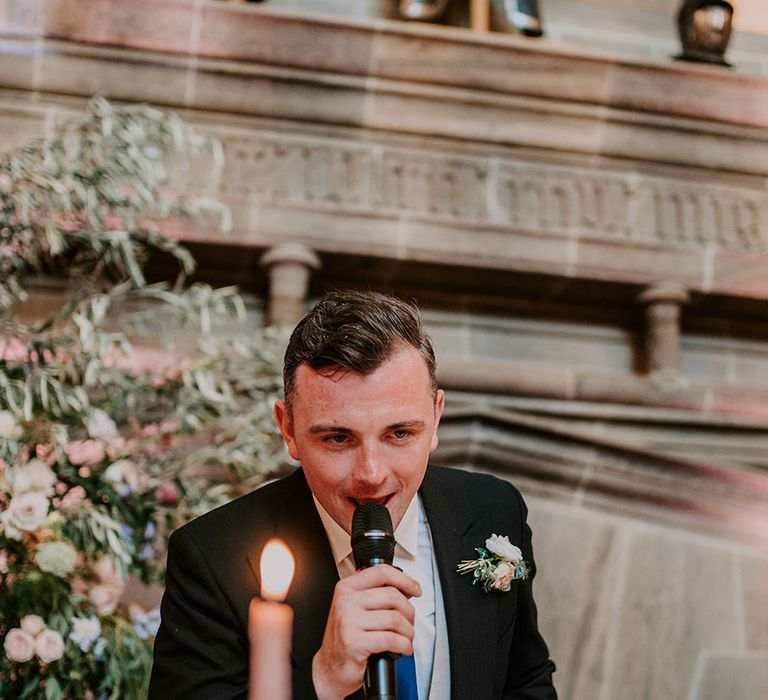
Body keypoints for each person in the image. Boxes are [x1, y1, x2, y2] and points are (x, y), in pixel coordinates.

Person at [149, 290, 557, 699]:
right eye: (338, 438)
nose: (372, 474)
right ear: (287, 429)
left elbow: (527, 683)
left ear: (435, 417)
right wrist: (323, 680)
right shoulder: (213, 557)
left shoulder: (493, 509)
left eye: (399, 434)